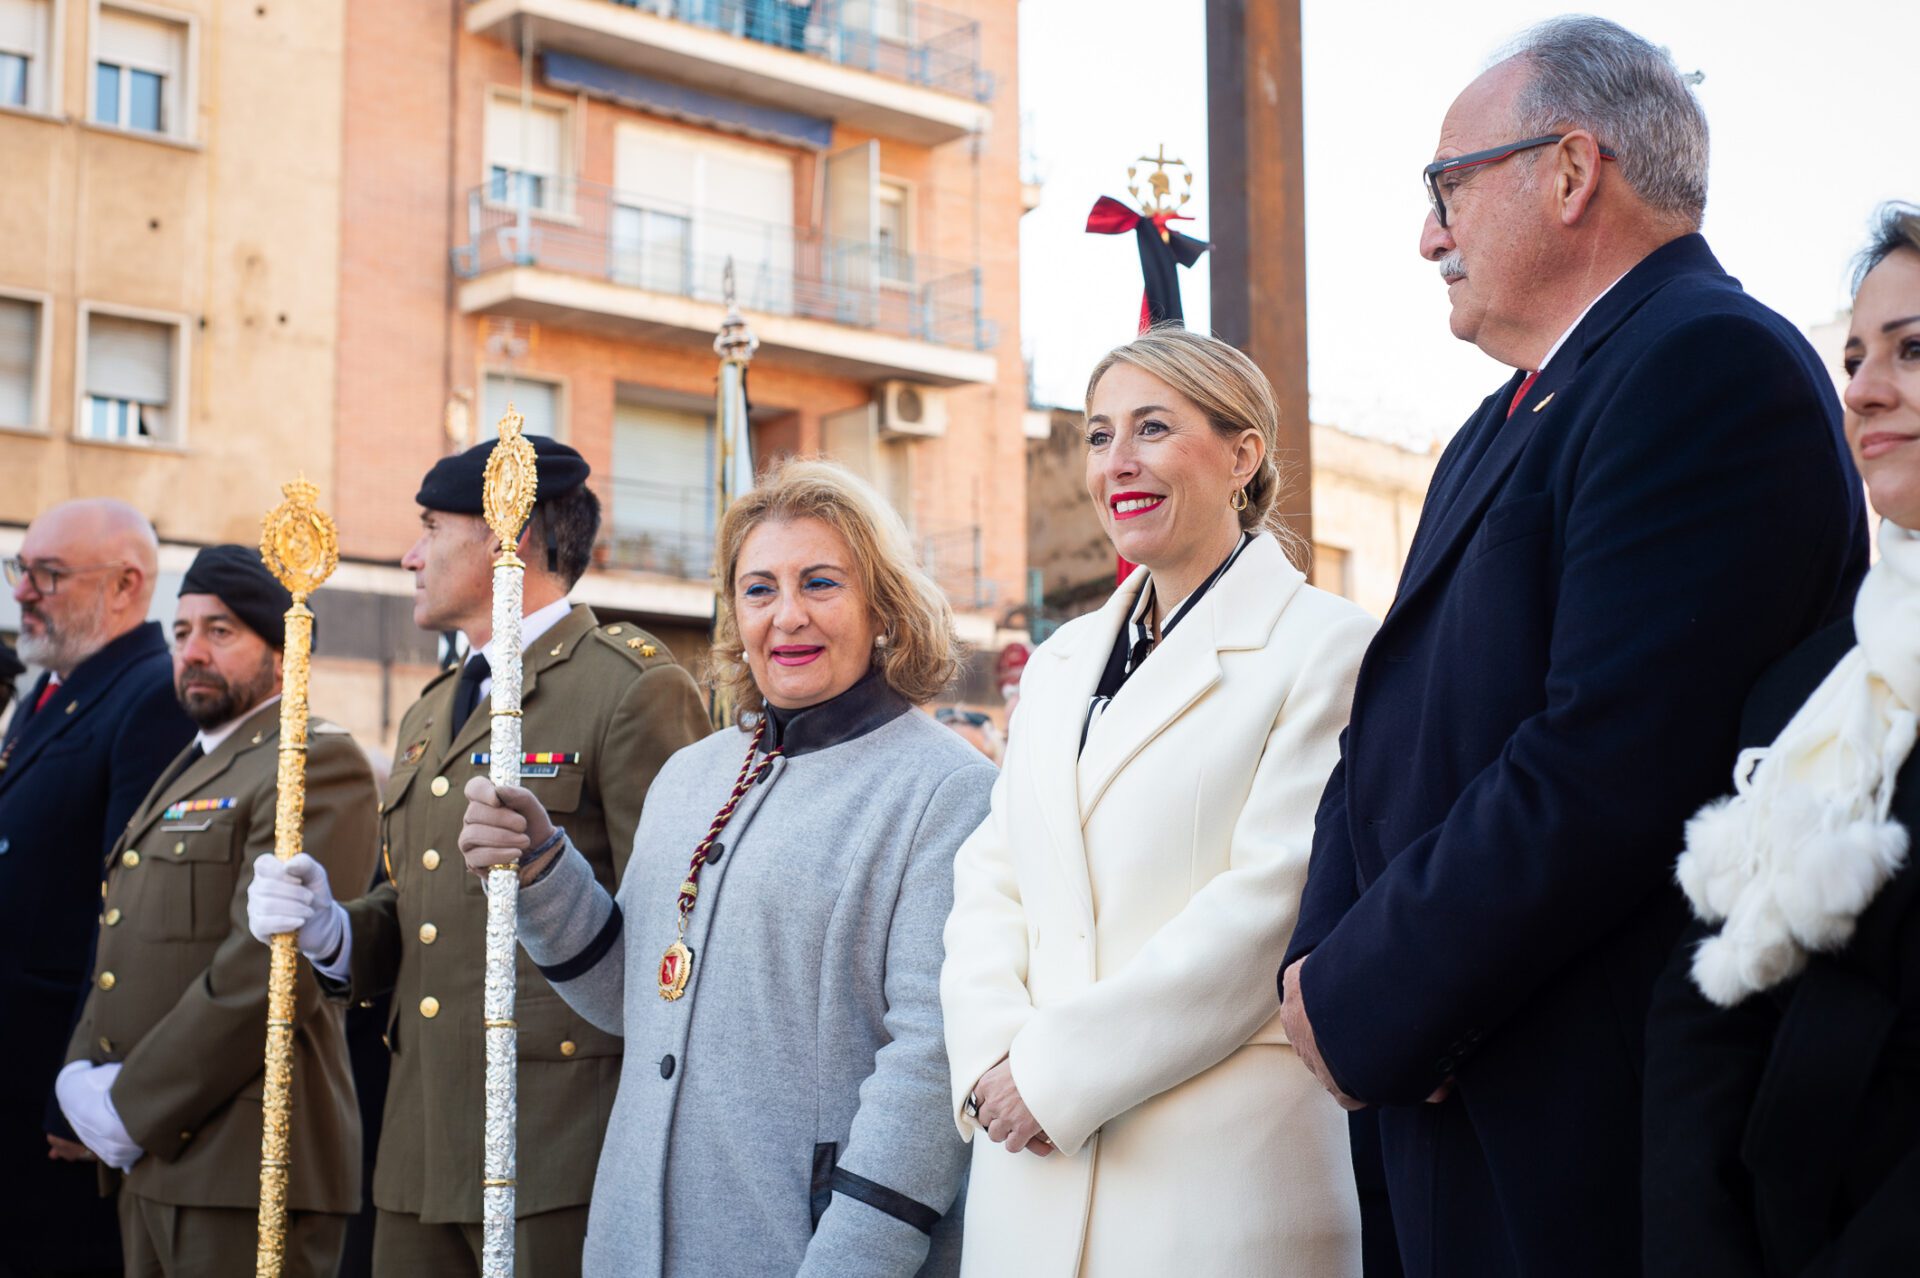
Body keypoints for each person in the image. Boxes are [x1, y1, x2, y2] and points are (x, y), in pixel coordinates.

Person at [1277, 17, 1870, 1277]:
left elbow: (1612, 763)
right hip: (1449, 1093)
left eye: (1447, 186)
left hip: (1584, 1131)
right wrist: (1323, 969)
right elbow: (1385, 736)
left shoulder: (1708, 362)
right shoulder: (1498, 421)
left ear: (1568, 170)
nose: (1428, 235)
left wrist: (1381, 996)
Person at [457, 459, 995, 1278]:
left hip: (803, 1251)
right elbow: (636, 997)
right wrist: (541, 870)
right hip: (634, 1244)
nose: (787, 616)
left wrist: (850, 1263)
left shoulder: (947, 789)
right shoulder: (692, 773)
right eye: (758, 589)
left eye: (821, 583)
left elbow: (929, 1066)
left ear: (883, 605)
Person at [941, 327, 1377, 1276]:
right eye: (1099, 436)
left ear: (1242, 456)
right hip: (1026, 1172)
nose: (1117, 463)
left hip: (1214, 1183)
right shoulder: (1057, 663)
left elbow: (1270, 905)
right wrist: (988, 1055)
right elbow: (992, 877)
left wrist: (1052, 1075)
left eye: (1152, 428)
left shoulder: (1329, 645)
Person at [245, 437, 709, 1276]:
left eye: (431, 528)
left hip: (558, 1148)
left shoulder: (629, 686)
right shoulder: (430, 712)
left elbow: (677, 934)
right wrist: (332, 931)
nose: (410, 555)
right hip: (423, 1149)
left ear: (507, 533)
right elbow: (422, 913)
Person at [1642, 203, 1920, 1276]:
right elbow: (1701, 1016)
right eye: (1853, 359)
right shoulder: (1808, 688)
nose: (1864, 390)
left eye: (1912, 350)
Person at [55, 544, 380, 1276]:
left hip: (245, 1162)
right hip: (155, 1159)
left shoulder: (313, 760)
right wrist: (80, 1069)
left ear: (282, 651)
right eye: (180, 633)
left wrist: (131, 1105)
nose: (192, 652)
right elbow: (125, 933)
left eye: (220, 631)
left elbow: (269, 970)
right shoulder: (196, 763)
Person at [0, 499, 195, 1276]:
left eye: (47, 575)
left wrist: (83, 1085)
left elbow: (130, 910)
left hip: (57, 1080)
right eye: (21, 570)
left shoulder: (151, 695)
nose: (23, 592)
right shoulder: (53, 689)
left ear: (124, 585)